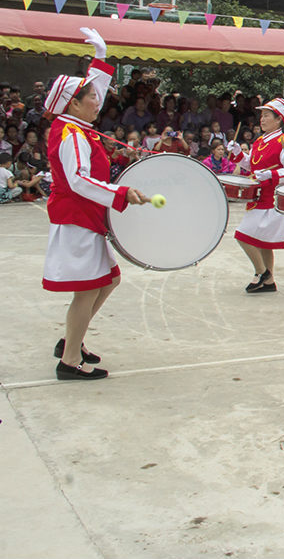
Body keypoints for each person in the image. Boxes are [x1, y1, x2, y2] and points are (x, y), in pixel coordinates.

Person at [43, 27, 153, 380]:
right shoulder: (72, 134)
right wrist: (120, 194)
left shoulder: (72, 123)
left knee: (107, 281)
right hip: (77, 219)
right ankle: (69, 360)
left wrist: (100, 57)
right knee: (89, 287)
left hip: (84, 218)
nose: (98, 100)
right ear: (74, 103)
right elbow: (77, 180)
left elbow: (93, 92)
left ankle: (71, 342)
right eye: (91, 96)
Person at [228, 98, 284, 294]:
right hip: (257, 198)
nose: (262, 119)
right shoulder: (259, 141)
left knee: (243, 236)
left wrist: (272, 175)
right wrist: (237, 154)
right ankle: (269, 281)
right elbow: (251, 165)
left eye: (267, 115)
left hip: (272, 199)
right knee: (263, 243)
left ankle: (261, 273)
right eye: (262, 115)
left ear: (279, 119)